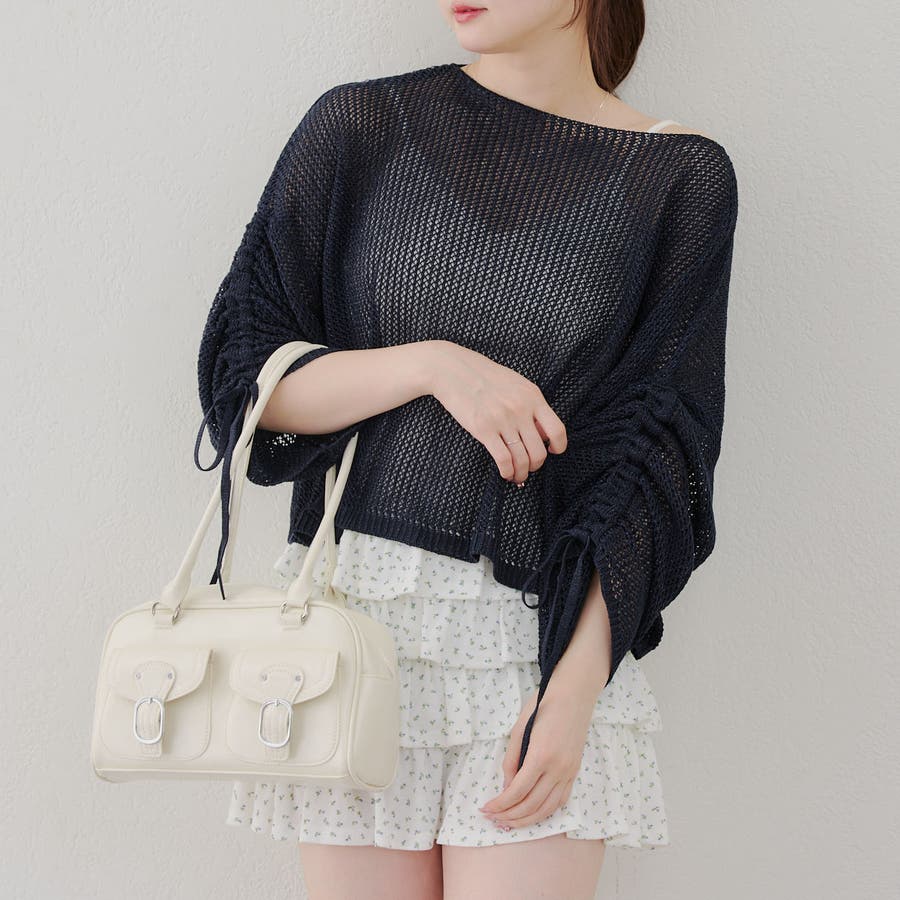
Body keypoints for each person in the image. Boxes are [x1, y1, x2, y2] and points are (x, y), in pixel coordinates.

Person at [196, 2, 739, 898]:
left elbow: (658, 459)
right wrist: (432, 366)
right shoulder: (360, 127)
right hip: (352, 634)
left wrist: (573, 690)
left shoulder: (678, 177)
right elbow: (243, 383)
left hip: (536, 649)